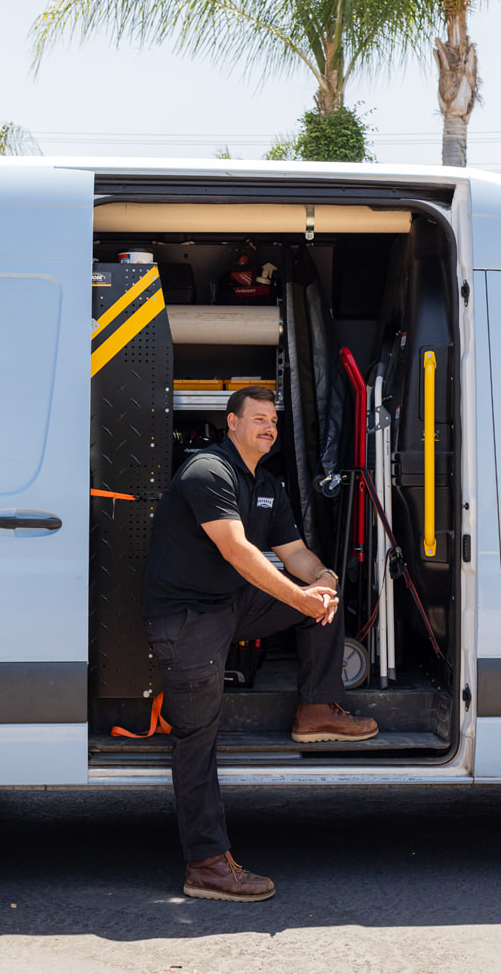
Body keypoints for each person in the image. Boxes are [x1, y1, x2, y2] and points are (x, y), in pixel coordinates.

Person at [142, 385, 378, 902]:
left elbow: (293, 553)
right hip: (187, 619)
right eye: (258, 419)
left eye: (274, 420)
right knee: (197, 738)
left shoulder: (268, 484)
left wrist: (322, 580)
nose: (269, 428)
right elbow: (237, 551)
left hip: (230, 606)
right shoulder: (208, 471)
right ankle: (205, 865)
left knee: (324, 605)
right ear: (231, 423)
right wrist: (300, 597)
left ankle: (315, 711)